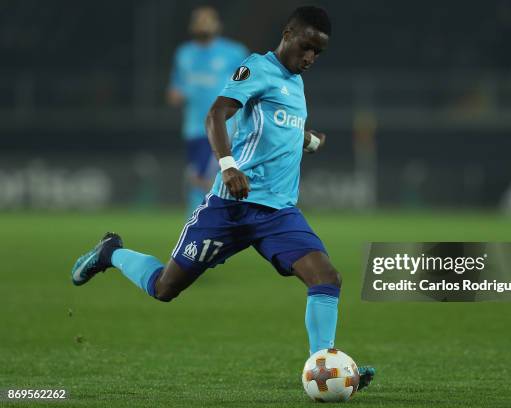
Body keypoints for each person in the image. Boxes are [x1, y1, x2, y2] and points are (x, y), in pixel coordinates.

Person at [72, 6, 375, 391]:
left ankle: (325, 366)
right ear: (288, 33)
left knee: (327, 278)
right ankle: (110, 252)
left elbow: (281, 129)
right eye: (306, 47)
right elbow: (215, 115)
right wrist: (228, 165)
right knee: (166, 288)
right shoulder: (256, 69)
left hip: (278, 213)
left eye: (318, 53)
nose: (310, 58)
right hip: (231, 207)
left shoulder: (296, 83)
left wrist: (309, 139)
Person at [168, 6, 248, 215]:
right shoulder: (183, 54)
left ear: (217, 24)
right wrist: (177, 94)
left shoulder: (234, 52)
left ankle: (204, 223)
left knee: (208, 180)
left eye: (207, 20)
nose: (203, 24)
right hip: (193, 128)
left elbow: (249, 87)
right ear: (192, 25)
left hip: (223, 127)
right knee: (197, 180)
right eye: (199, 20)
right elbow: (175, 89)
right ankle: (199, 225)